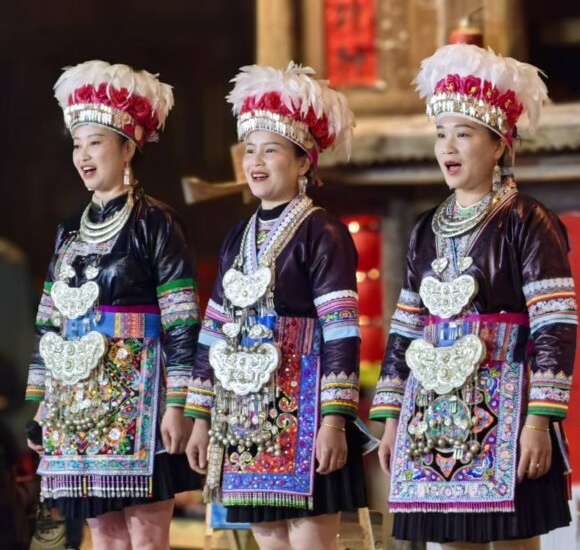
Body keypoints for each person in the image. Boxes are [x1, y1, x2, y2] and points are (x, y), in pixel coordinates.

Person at [370, 43, 578, 549]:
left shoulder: (528, 221)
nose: (449, 148)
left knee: (513, 543)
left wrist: (539, 420)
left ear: (500, 143)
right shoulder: (424, 230)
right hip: (434, 413)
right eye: (442, 135)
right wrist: (392, 418)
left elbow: (554, 324)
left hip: (507, 408)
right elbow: (405, 329)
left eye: (463, 135)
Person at [184, 63, 367, 550]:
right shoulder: (236, 238)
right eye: (250, 150)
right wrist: (200, 417)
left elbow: (343, 331)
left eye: (271, 149)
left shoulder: (322, 231)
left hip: (305, 413)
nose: (256, 160)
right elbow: (213, 330)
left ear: (304, 162)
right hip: (245, 416)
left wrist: (334, 420)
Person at [24, 60, 201, 549]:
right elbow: (50, 321)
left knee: (146, 538)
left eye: (94, 142)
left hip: (141, 401)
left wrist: (178, 403)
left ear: (128, 148)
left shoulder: (156, 223)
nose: (82, 154)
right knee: (103, 538)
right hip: (77, 403)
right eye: (76, 144)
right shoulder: (68, 230)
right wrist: (40, 406)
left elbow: (183, 321)